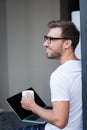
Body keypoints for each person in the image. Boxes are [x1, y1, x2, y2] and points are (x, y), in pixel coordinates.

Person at [19, 20, 83, 130]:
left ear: (67, 43)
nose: (45, 44)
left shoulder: (60, 75)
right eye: (46, 39)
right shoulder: (81, 66)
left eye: (51, 39)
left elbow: (60, 121)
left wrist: (32, 106)